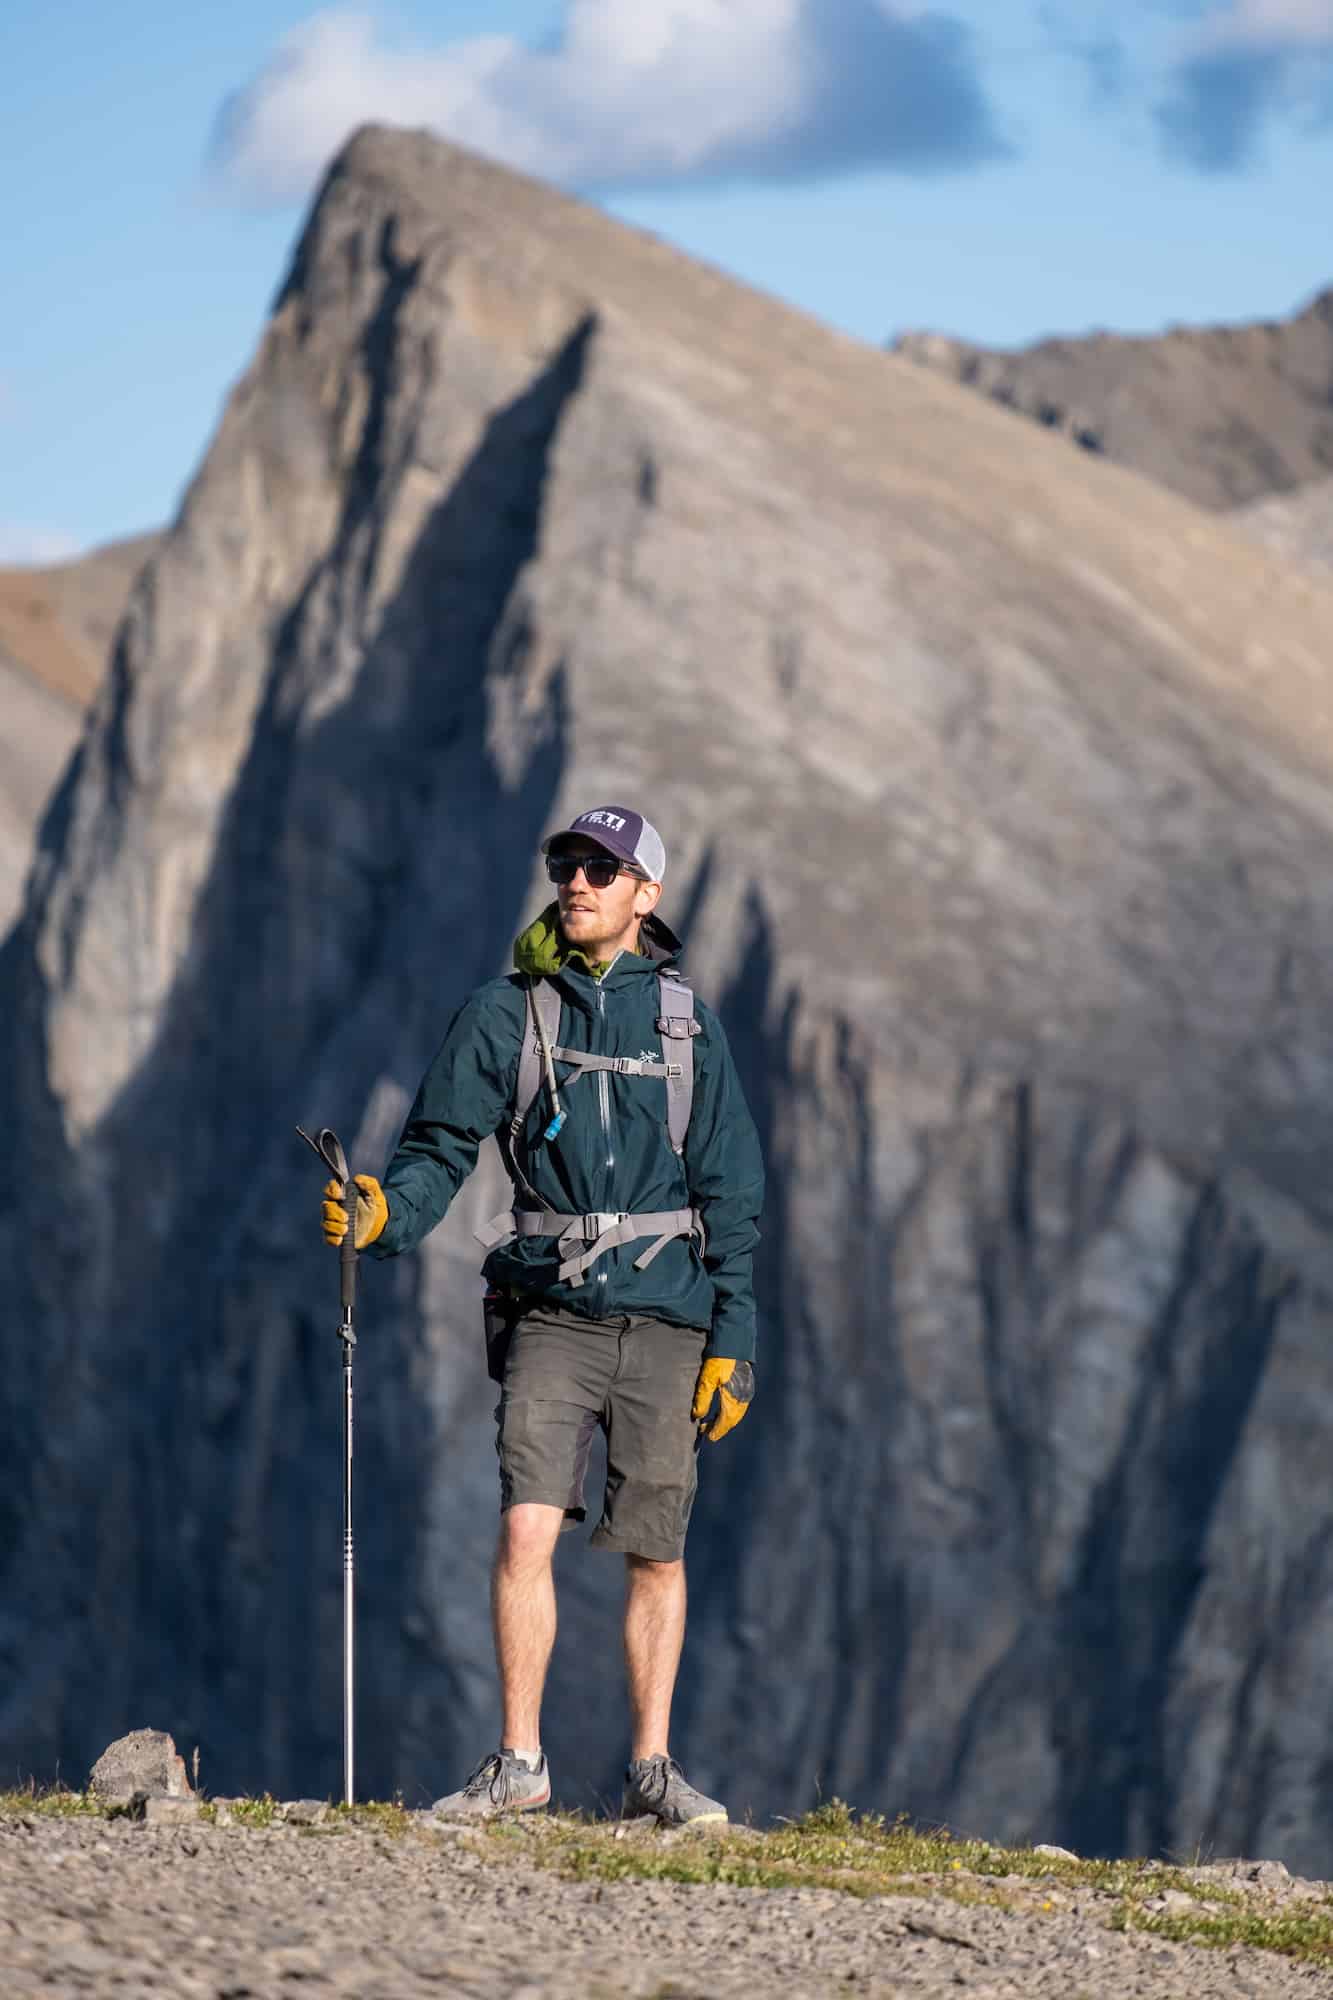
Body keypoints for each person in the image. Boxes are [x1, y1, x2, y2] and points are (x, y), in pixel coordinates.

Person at [321, 805, 764, 1826]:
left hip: (667, 1314)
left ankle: (652, 1767)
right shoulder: (504, 1012)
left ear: (645, 893)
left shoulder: (690, 1026)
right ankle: (521, 1760)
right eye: (568, 862)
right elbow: (437, 1152)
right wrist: (383, 1215)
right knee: (527, 1527)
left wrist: (732, 1341)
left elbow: (733, 1194)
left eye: (604, 868)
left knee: (658, 1546)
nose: (578, 880)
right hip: (550, 1307)